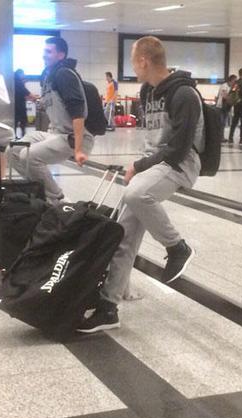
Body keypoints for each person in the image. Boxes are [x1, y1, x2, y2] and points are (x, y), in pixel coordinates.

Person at [77, 35, 201, 333]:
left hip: (179, 164)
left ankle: (177, 247)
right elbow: (151, 140)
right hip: (153, 166)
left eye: (134, 61)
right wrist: (140, 164)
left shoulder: (184, 94)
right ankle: (108, 308)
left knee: (136, 194)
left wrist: (139, 167)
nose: (134, 68)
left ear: (144, 61)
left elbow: (179, 149)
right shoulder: (147, 91)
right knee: (123, 235)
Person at [9, 36, 93, 204]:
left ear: (61, 55)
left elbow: (78, 114)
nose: (44, 55)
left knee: (28, 156)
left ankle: (58, 198)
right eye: (44, 51)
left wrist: (78, 150)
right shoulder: (49, 76)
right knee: (12, 151)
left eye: (49, 51)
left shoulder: (64, 75)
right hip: (55, 133)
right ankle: (40, 192)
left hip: (75, 137)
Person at [228, 68, 242, 143]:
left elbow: (232, 92)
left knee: (234, 121)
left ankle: (230, 137)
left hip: (236, 105)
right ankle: (241, 138)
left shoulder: (235, 83)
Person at [217, 74, 236, 140]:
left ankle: (221, 136)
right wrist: (232, 98)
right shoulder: (224, 86)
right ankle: (220, 137)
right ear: (231, 80)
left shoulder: (232, 87)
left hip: (227, 107)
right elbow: (225, 96)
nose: (235, 82)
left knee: (224, 123)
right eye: (234, 81)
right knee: (221, 122)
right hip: (221, 106)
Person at [14, 69, 31, 138]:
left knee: (16, 122)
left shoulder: (15, 82)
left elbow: (24, 94)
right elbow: (26, 93)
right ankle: (23, 136)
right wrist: (35, 97)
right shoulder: (18, 82)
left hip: (16, 104)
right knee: (22, 122)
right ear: (20, 74)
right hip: (19, 105)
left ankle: (15, 136)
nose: (24, 75)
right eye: (23, 74)